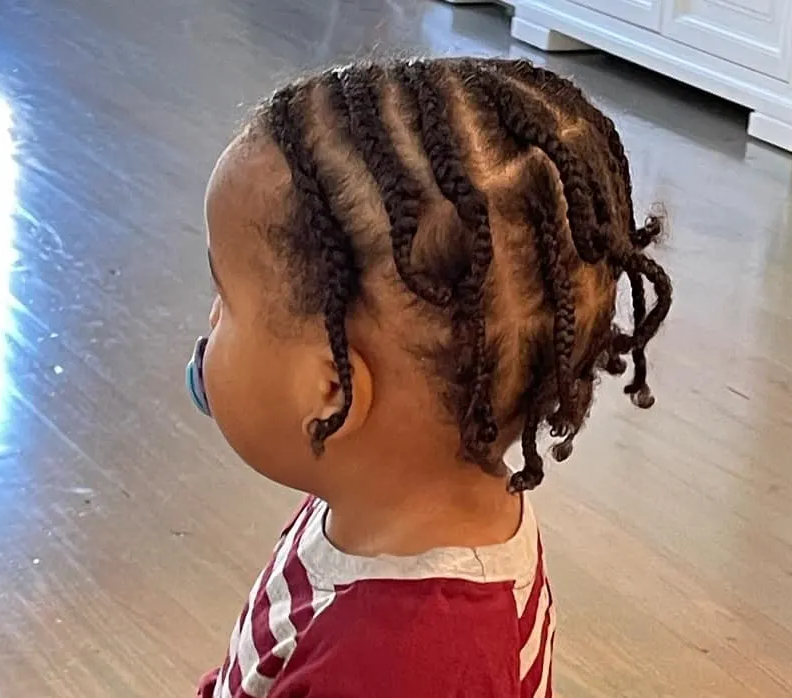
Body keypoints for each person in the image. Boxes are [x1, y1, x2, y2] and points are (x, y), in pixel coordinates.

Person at [187, 58, 672, 698]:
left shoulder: (404, 663)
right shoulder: (392, 502)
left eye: (225, 298)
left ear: (332, 391)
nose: (210, 319)